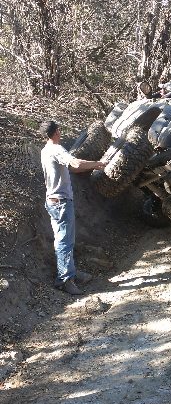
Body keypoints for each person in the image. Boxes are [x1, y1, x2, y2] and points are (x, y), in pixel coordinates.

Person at [40, 120, 108, 295]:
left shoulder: (46, 150)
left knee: (64, 240)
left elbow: (73, 167)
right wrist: (98, 164)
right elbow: (76, 164)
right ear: (57, 132)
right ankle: (64, 280)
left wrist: (92, 163)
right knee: (64, 241)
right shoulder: (57, 149)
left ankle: (71, 273)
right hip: (61, 202)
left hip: (54, 201)